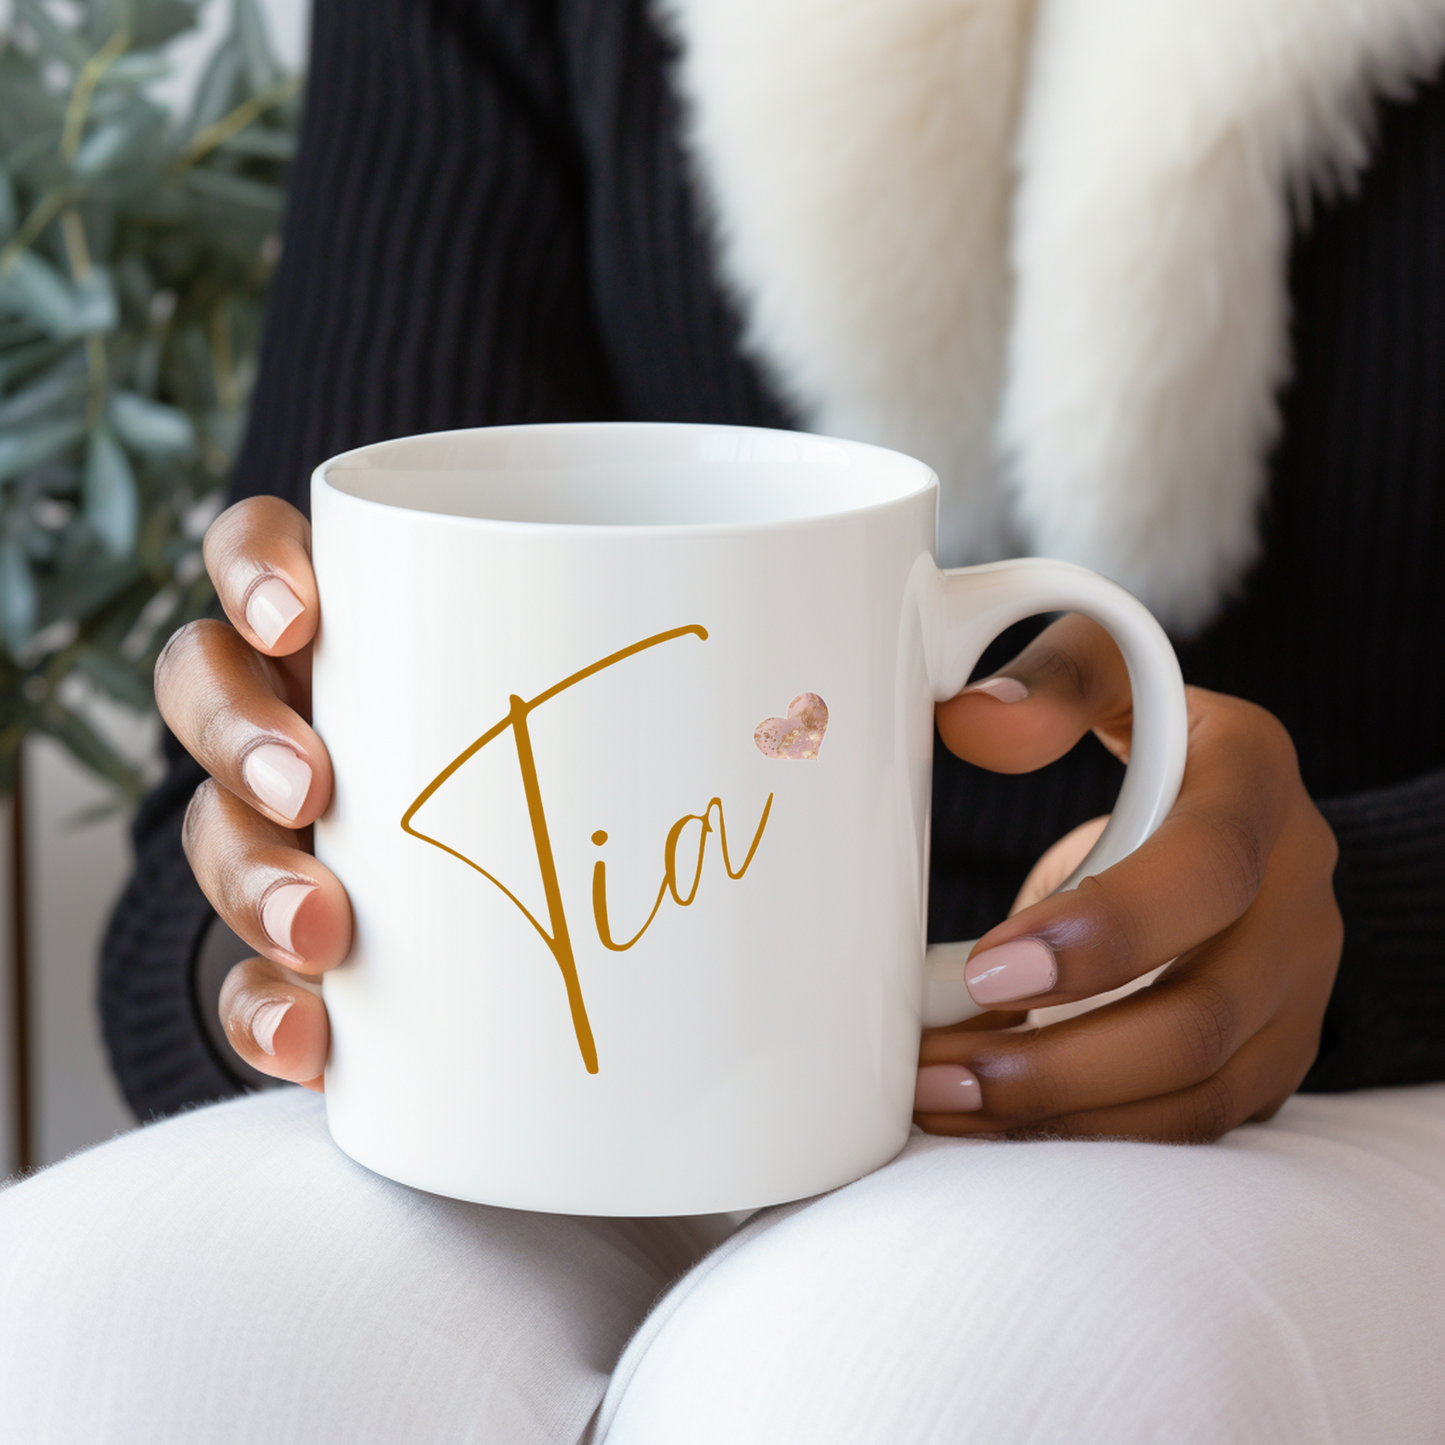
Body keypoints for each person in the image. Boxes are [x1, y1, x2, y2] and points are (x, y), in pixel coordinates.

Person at [3, 1, 1444, 1440]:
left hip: (1306, 1082)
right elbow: (209, 864)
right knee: (90, 1320)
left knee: (906, 1386)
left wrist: (1362, 924)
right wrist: (278, 926)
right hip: (567, 1084)